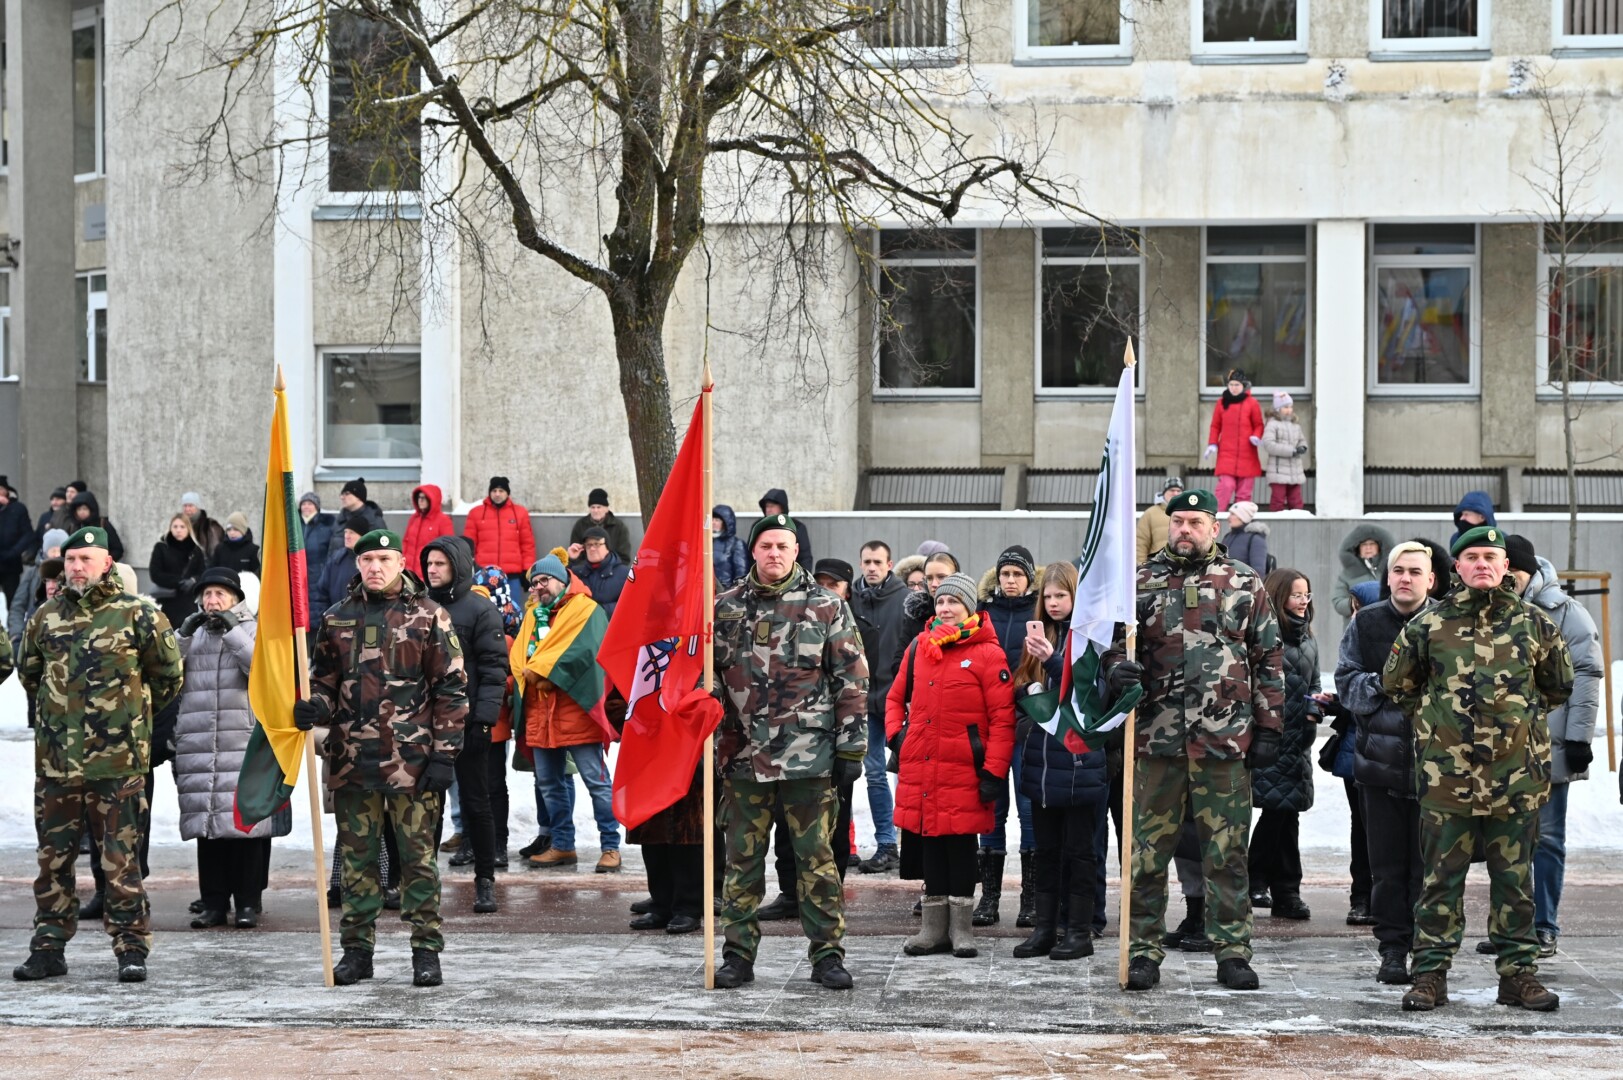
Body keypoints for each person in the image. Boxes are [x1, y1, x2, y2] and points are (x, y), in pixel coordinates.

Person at [1382, 526, 1572, 1013]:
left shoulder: (1535, 624)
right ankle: (1430, 975)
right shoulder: (1429, 625)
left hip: (1516, 779)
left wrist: (1519, 724)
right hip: (1448, 779)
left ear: (1506, 566)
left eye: (1491, 556)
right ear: (1457, 568)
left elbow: (1557, 686)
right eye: (1472, 557)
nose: (1482, 564)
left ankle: (1518, 976)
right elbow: (1399, 685)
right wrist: (1436, 724)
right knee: (1439, 882)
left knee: (1515, 883)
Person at [1105, 488, 1284, 993]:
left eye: (1195, 522)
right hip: (1155, 741)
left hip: (1224, 742)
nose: (1185, 530)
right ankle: (1142, 952)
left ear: (1213, 527)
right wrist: (1116, 670)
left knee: (1226, 855)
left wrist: (1270, 727)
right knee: (1146, 855)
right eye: (1178, 521)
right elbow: (1111, 648)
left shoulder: (1243, 581)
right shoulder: (1139, 582)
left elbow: (1268, 658)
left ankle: (1232, 952)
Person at [295, 529, 469, 988]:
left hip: (411, 763)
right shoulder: (337, 618)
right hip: (352, 760)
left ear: (401, 563)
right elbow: (324, 683)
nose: (375, 567)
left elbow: (451, 691)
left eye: (384, 559)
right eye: (367, 559)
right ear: (357, 565)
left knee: (417, 861)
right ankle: (358, 952)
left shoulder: (429, 616)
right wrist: (314, 706)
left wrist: (444, 756)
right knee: (358, 863)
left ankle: (426, 951)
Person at [12, 526, 183, 984]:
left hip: (117, 763)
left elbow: (168, 678)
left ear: (106, 563)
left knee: (120, 860)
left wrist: (129, 720)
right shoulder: (46, 616)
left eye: (85, 559)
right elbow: (31, 675)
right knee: (53, 859)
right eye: (70, 560)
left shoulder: (138, 615)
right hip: (57, 764)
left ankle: (131, 947)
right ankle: (48, 947)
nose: (75, 567)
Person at [711, 513, 868, 991]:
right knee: (741, 862)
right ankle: (737, 955)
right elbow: (707, 678)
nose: (774, 553)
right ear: (753, 551)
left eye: (783, 545)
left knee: (816, 861)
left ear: (796, 551)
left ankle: (828, 955)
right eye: (766, 546)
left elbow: (852, 680)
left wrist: (851, 748)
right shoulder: (724, 607)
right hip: (742, 757)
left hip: (808, 758)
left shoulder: (826, 606)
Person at [889, 571, 1015, 961]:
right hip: (923, 766)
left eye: (954, 602)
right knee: (930, 846)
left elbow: (1002, 720)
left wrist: (994, 771)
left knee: (960, 847)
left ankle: (961, 930)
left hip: (965, 770)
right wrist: (898, 738)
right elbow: (894, 698)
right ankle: (932, 930)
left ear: (969, 608)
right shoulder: (919, 647)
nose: (945, 608)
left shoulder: (989, 653)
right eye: (941, 601)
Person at [1497, 535, 1601, 960]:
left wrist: (1578, 739)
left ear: (1529, 572)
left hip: (1550, 746)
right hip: (1500, 750)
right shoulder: (1491, 608)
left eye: (1514, 572)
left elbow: (1588, 674)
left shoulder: (1566, 612)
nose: (1508, 579)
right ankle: (1511, 927)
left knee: (1548, 839)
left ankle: (1544, 926)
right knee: (1505, 841)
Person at [1336, 542, 1435, 985]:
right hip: (1379, 765)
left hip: (1436, 769)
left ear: (1431, 579)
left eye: (1414, 571)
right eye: (1398, 570)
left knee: (1429, 870)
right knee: (1387, 869)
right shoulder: (1367, 622)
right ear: (1388, 576)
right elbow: (1346, 683)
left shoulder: (1446, 622)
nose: (1405, 578)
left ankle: (1429, 952)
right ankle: (1392, 949)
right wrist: (1386, 683)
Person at [174, 568, 290, 930]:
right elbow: (165, 672)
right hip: (199, 744)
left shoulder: (254, 631)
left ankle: (247, 903)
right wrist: (181, 636)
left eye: (220, 595)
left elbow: (262, 672)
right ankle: (213, 903)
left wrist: (233, 631)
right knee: (207, 827)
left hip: (242, 745)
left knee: (245, 827)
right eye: (207, 595)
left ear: (236, 600)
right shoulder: (193, 636)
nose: (212, 602)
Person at [1013, 561, 1107, 961]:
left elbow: (1090, 695)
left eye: (1061, 595)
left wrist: (1052, 660)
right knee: (1046, 851)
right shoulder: (1040, 636)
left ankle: (1080, 930)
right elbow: (1020, 685)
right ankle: (1045, 928)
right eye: (1047, 597)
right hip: (1042, 761)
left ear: (1076, 596)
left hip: (1080, 762)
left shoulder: (1092, 637)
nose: (1053, 603)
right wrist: (1025, 699)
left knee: (1081, 852)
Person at [513, 554, 621, 873]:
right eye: (534, 583)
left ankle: (611, 847)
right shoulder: (533, 615)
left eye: (544, 580)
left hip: (577, 713)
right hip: (540, 713)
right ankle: (562, 845)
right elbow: (519, 657)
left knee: (596, 782)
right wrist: (533, 671)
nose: (539, 587)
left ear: (562, 580)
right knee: (550, 783)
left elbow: (587, 652)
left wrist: (545, 670)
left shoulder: (587, 610)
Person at [421, 537, 511, 913]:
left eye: (440, 563)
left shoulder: (480, 609)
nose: (432, 570)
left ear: (457, 566)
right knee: (429, 805)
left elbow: (494, 669)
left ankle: (485, 881)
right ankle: (424, 883)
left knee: (477, 803)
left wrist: (484, 721)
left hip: (469, 724)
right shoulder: (419, 607)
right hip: (425, 726)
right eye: (429, 564)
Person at [1247, 569, 1323, 921]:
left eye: (1306, 594)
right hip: (1268, 738)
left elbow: (1314, 682)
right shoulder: (1264, 635)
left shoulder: (1308, 639)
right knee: (1277, 812)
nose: (1303, 601)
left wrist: (1314, 709)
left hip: (1297, 741)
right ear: (1279, 597)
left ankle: (1284, 891)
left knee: (1287, 814)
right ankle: (1261, 880)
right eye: (1296, 594)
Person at [975, 545, 1040, 928]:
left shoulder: (1039, 611)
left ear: (1029, 578)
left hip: (1028, 723)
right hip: (991, 726)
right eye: (1005, 574)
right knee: (992, 809)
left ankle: (1030, 899)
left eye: (1017, 574)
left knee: (1029, 811)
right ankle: (989, 898)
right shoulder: (984, 613)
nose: (1011, 580)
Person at [851, 541, 907, 874]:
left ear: (890, 564)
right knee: (873, 773)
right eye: (867, 561)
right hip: (863, 701)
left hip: (897, 699)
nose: (871, 567)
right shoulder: (851, 599)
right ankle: (886, 843)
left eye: (877, 562)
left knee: (907, 772)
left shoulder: (904, 599)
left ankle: (911, 842)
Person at [1203, 370, 1265, 510]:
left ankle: (1240, 520)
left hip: (1247, 455)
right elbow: (1215, 425)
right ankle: (1214, 516)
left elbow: (1259, 424)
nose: (1234, 388)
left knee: (1244, 494)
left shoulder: (1252, 403)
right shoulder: (1221, 403)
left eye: (1237, 385)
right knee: (1225, 486)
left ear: (1243, 385)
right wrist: (1212, 443)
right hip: (1227, 454)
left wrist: (1256, 436)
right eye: (1231, 384)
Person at [463, 477, 536, 579]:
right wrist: (468, 568)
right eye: (494, 491)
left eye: (501, 491)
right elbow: (468, 545)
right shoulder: (475, 513)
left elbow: (527, 545)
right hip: (484, 573)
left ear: (507, 493)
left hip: (512, 574)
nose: (497, 494)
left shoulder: (520, 513)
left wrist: (527, 569)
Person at [9, 530, 68, 648]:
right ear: (45, 552)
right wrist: (16, 635)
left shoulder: (71, 574)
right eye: (53, 550)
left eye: (59, 550)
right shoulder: (32, 573)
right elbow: (17, 606)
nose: (56, 554)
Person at [149, 514, 208, 630]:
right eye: (175, 526)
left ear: (188, 529)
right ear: (170, 528)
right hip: (166, 599)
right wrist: (179, 582)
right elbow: (155, 573)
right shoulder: (162, 547)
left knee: (187, 632)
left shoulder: (196, 550)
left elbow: (202, 572)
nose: (178, 530)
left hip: (189, 600)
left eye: (182, 527)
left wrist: (193, 580)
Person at [1331, 524, 1395, 622]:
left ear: (1379, 547)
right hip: (1356, 626)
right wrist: (1356, 603)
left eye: (1372, 544)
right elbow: (1338, 602)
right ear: (1358, 548)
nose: (1368, 548)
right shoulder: (1347, 574)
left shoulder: (1390, 571)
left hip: (1386, 624)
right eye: (1364, 544)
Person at [1259, 393, 1308, 512]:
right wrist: (1292, 451)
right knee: (1278, 500)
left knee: (1296, 501)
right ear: (1277, 409)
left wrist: (1302, 447)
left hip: (1295, 471)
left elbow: (1301, 440)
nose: (1289, 410)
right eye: (1285, 407)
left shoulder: (1295, 425)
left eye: (1290, 407)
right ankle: (1275, 521)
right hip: (1278, 471)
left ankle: (1297, 521)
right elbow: (1269, 445)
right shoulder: (1272, 424)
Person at [569, 527, 630, 617]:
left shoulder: (625, 574)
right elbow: (562, 592)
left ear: (607, 547)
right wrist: (571, 560)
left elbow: (630, 604)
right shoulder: (577, 572)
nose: (592, 549)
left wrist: (598, 610)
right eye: (588, 545)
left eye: (597, 544)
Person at [312, 513, 364, 614]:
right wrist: (327, 617)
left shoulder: (370, 561)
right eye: (345, 532)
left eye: (352, 533)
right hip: (336, 620)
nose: (347, 536)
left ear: (363, 536)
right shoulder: (336, 560)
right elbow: (321, 594)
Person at [569, 488, 634, 564]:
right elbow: (575, 553)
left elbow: (624, 557)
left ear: (606, 509)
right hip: (586, 569)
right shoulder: (580, 525)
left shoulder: (619, 527)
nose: (595, 511)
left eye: (599, 507)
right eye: (593, 507)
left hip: (612, 568)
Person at [755, 489, 813, 570]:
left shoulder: (797, 527)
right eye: (767, 506)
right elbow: (751, 554)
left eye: (772, 506)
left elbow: (805, 557)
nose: (768, 509)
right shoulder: (758, 526)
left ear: (782, 508)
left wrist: (803, 576)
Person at [329, 478, 386, 560]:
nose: (342, 497)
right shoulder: (340, 520)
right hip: (338, 566)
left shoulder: (374, 521)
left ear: (358, 496)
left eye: (346, 494)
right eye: (342, 494)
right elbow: (332, 550)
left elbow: (383, 551)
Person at [299, 493, 337, 616]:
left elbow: (332, 549)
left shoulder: (327, 525)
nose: (306, 506)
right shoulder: (295, 525)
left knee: (316, 607)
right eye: (304, 504)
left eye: (310, 504)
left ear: (317, 507)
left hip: (318, 573)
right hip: (298, 573)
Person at [404, 484, 455, 570]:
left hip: (428, 571)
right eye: (419, 497)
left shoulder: (443, 521)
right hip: (409, 571)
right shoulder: (414, 518)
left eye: (424, 498)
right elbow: (406, 542)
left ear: (432, 500)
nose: (420, 500)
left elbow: (447, 548)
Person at [1135, 477, 1184, 565]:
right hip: (1157, 567)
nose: (1175, 493)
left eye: (1178, 491)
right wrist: (1141, 566)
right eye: (1172, 490)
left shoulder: (1188, 513)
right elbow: (1141, 543)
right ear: (1164, 492)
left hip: (1183, 567)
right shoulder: (1150, 513)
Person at [0, 477, 33, 603]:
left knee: (12, 599)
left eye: (1, 489)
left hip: (11, 563)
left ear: (7, 491)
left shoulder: (18, 508)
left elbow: (28, 534)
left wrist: (14, 552)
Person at [66, 492, 124, 563]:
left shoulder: (103, 524)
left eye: (85, 509)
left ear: (91, 509)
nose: (82, 512)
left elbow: (117, 549)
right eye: (79, 509)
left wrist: (104, 562)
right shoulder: (73, 527)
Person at [1221, 501, 1270, 575]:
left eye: (1233, 514)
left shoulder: (1255, 539)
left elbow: (1258, 571)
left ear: (1243, 517)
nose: (1228, 517)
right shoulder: (1228, 536)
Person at [180, 492, 228, 560]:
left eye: (190, 506)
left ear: (197, 507)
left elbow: (215, 554)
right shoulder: (179, 526)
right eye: (185, 506)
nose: (187, 509)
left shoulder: (209, 526)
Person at [711, 505, 747, 591]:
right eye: (712, 519)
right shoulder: (705, 542)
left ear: (726, 523)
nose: (713, 522)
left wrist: (734, 594)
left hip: (725, 593)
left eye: (717, 520)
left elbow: (741, 574)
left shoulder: (736, 544)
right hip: (705, 592)